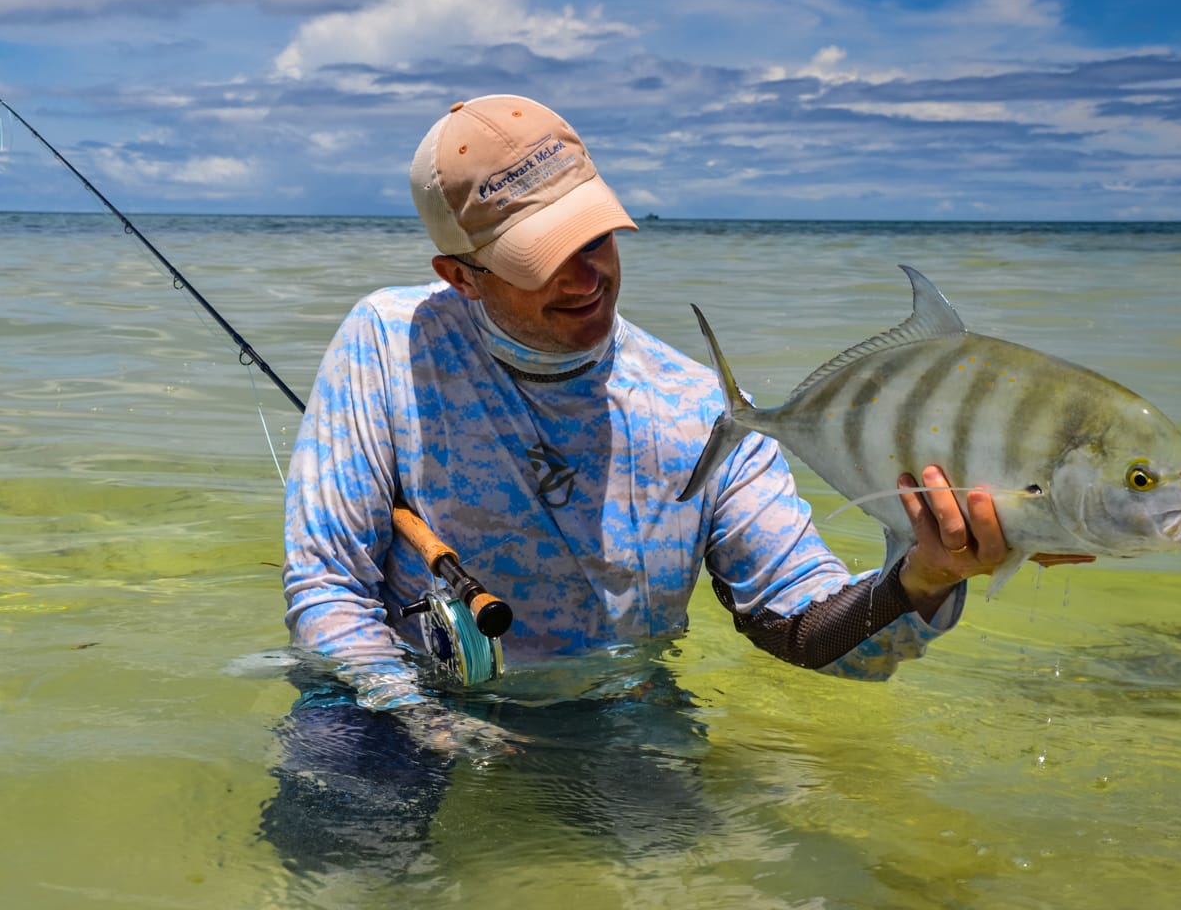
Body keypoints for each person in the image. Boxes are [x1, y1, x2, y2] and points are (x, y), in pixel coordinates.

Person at [280, 93, 1088, 736]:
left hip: (615, 713)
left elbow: (806, 628)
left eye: (593, 236)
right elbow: (327, 588)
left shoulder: (697, 407)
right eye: (542, 257)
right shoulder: (386, 342)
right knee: (340, 854)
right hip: (384, 699)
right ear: (460, 276)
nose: (584, 274)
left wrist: (926, 574)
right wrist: (419, 716)